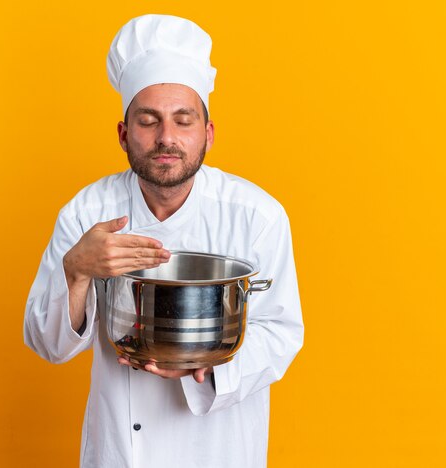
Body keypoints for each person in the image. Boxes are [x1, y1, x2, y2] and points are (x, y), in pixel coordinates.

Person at [24, 14, 304, 468]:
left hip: (221, 449)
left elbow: (281, 334)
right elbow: (47, 344)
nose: (166, 138)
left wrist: (206, 369)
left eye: (183, 120)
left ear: (208, 134)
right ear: (123, 134)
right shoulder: (86, 212)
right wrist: (76, 272)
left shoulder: (257, 216)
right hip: (119, 451)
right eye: (149, 121)